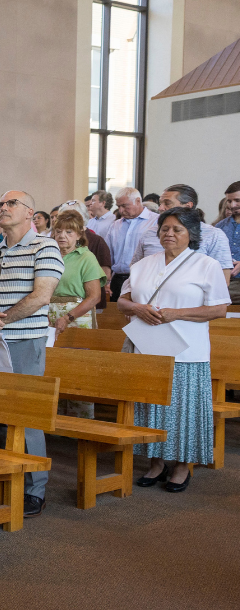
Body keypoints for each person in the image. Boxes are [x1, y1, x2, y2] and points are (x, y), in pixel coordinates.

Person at [119, 206, 229, 492]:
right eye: (164, 228)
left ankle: (182, 467)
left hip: (187, 351)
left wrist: (177, 313)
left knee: (182, 410)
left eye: (177, 229)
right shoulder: (144, 264)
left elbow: (219, 309)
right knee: (151, 408)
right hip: (148, 348)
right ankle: (155, 463)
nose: (169, 234)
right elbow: (123, 302)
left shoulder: (206, 265)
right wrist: (138, 308)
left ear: (191, 234)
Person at [0, 190, 63, 518]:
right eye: (1, 204)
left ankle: (34, 490)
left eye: (11, 203)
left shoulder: (45, 245)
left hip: (24, 340)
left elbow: (42, 295)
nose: (3, 207)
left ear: (30, 212)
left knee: (26, 417)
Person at [130, 184, 237, 275]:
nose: (160, 208)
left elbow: (222, 278)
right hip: (150, 297)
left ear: (187, 206)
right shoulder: (150, 233)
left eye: (167, 203)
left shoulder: (214, 235)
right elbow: (136, 270)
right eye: (160, 203)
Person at [49, 210, 106, 334]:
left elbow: (94, 297)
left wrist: (67, 318)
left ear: (79, 235)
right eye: (58, 231)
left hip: (77, 317)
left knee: (76, 352)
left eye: (69, 232)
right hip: (49, 317)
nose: (62, 236)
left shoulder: (86, 257)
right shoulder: (49, 255)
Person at [103, 187, 157, 299]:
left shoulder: (156, 222)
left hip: (144, 280)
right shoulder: (115, 225)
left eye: (125, 206)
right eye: (118, 207)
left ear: (138, 201)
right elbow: (108, 255)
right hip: (117, 280)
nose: (121, 211)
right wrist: (106, 281)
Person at [217, 181, 240, 303]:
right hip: (224, 280)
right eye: (229, 201)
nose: (233, 205)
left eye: (237, 200)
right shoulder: (220, 226)